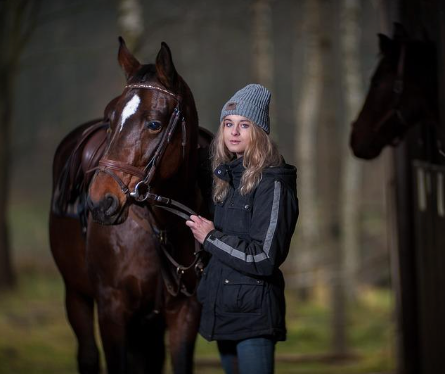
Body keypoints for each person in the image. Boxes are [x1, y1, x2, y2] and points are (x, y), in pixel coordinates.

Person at [186, 84, 299, 374]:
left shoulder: (273, 184)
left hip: (254, 317)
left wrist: (210, 237)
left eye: (244, 125)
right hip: (225, 314)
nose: (233, 132)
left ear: (259, 132)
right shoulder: (225, 179)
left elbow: (265, 257)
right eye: (228, 124)